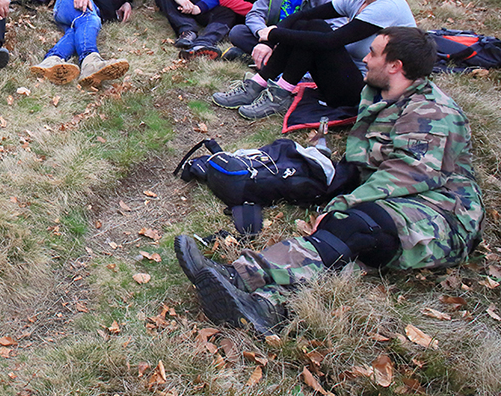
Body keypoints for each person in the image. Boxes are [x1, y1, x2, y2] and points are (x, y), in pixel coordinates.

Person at [176, 27, 483, 335]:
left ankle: (239, 275)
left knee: (354, 226)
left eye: (374, 53)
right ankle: (267, 305)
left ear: (395, 66)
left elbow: (409, 174)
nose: (366, 58)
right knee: (344, 248)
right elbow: (369, 162)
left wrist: (344, 202)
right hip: (403, 202)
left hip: (444, 215)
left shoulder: (431, 112)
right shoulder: (384, 94)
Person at [213, 0, 417, 120]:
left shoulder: (388, 6)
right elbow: (300, 17)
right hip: (347, 80)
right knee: (308, 25)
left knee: (316, 32)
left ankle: (279, 93)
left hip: (371, 94)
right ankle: (259, 83)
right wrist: (268, 41)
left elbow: (331, 41)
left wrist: (274, 33)